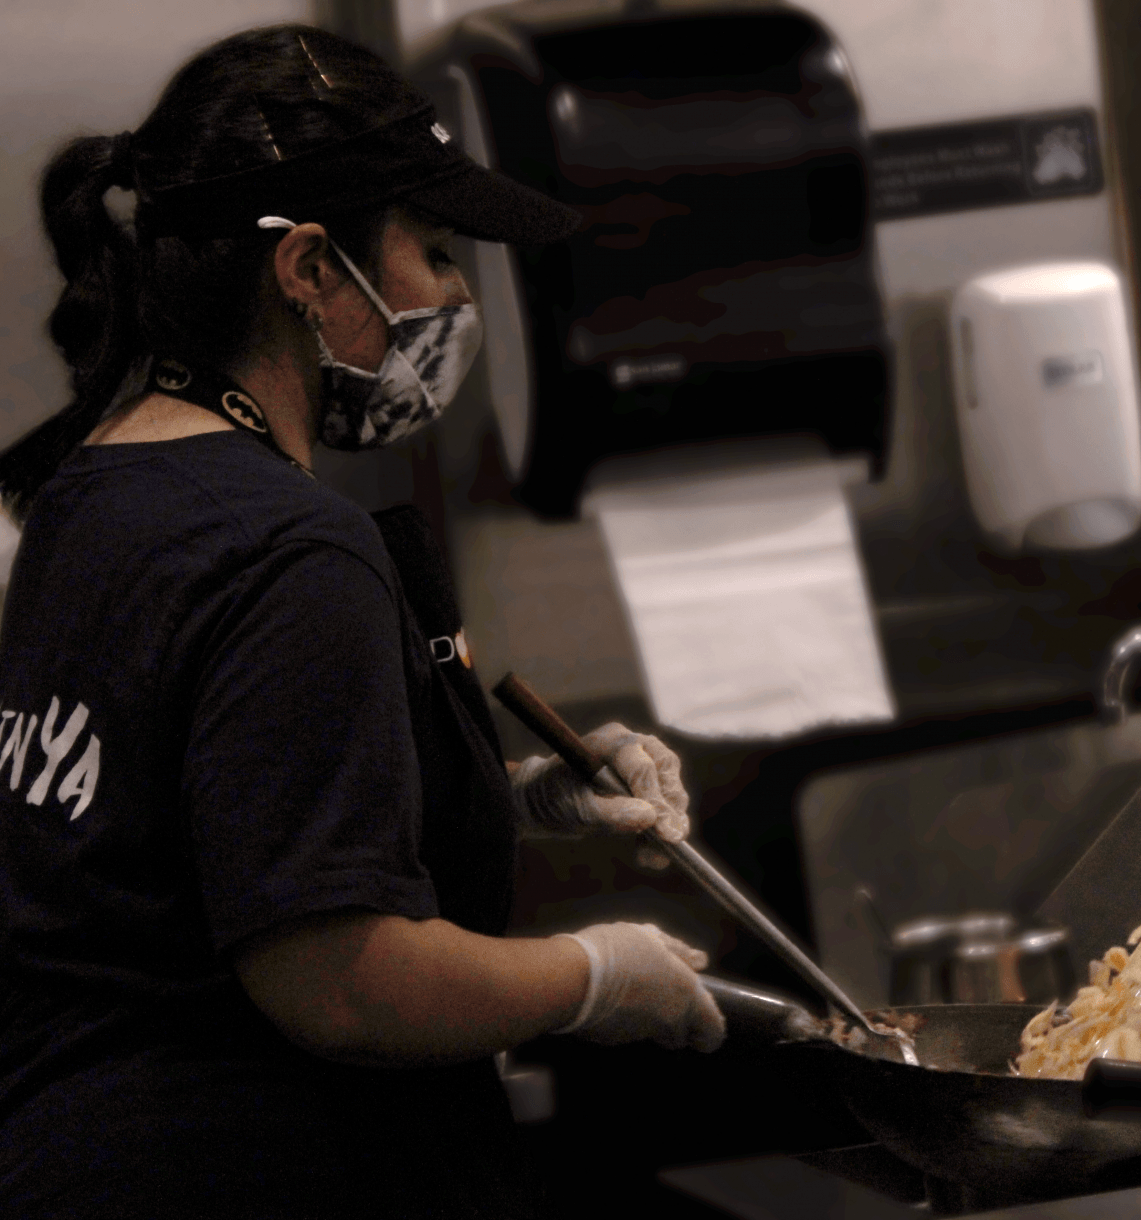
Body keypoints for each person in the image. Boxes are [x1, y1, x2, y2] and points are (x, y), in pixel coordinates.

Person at [0, 24, 724, 1219]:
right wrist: (592, 976)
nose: (454, 295)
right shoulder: (293, 547)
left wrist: (506, 793)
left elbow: (197, 826)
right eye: (433, 253)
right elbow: (337, 977)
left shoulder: (91, 492)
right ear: (308, 270)